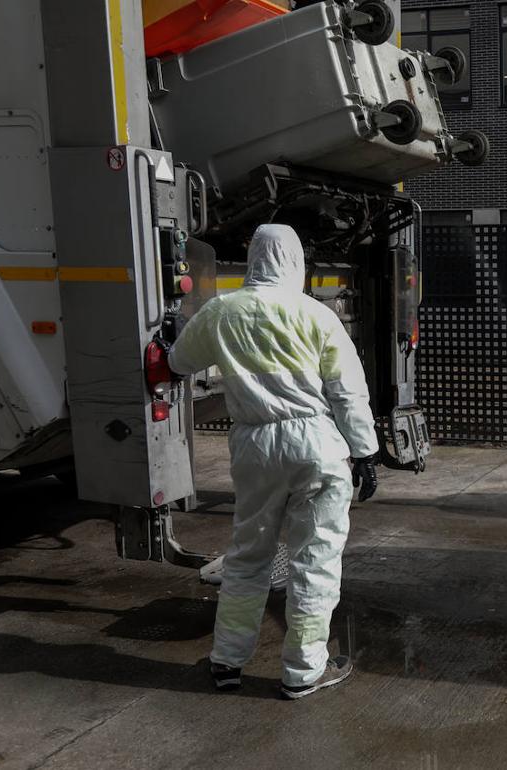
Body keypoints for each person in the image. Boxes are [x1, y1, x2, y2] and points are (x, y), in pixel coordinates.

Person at [168, 224, 380, 700]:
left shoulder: (222, 311)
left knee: (248, 557)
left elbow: (178, 361)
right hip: (317, 446)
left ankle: (226, 661)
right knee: (315, 561)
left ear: (254, 259)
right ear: (296, 261)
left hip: (255, 446)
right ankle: (303, 673)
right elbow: (347, 393)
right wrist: (365, 453)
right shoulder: (316, 315)